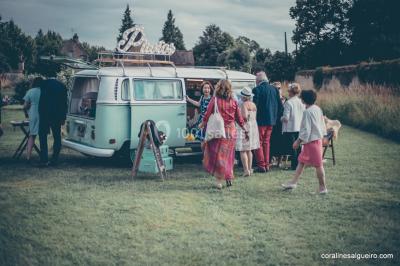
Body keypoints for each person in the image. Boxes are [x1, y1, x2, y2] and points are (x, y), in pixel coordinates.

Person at [201, 80, 248, 189]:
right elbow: (239, 118)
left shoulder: (215, 100)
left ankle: (219, 181)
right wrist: (244, 128)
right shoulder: (234, 102)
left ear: (218, 88)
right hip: (231, 131)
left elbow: (207, 114)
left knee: (218, 156)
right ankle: (229, 176)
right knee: (229, 156)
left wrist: (202, 124)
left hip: (219, 131)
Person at [282, 90, 328, 194]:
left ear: (303, 100)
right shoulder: (317, 108)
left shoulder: (307, 112)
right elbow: (322, 124)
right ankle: (293, 182)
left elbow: (306, 130)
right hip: (315, 141)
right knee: (301, 162)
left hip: (313, 142)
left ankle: (322, 187)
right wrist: (324, 135)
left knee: (318, 165)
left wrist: (297, 142)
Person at [252, 71, 283, 172]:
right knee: (266, 142)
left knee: (259, 142)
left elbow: (254, 107)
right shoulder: (274, 89)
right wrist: (276, 118)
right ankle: (267, 164)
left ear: (259, 80)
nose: (255, 81)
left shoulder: (256, 90)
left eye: (256, 79)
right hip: (271, 121)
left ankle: (261, 165)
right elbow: (280, 106)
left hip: (260, 121)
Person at [38, 78, 68, 166]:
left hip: (45, 115)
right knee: (57, 136)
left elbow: (42, 103)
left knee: (42, 136)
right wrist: (63, 117)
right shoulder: (62, 86)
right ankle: (55, 159)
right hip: (57, 115)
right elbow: (64, 103)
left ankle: (44, 159)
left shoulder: (44, 86)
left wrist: (41, 116)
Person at [235, 87, 260, 176]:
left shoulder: (244, 105)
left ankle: (246, 170)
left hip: (245, 127)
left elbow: (245, 117)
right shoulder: (253, 105)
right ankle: (249, 168)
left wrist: (238, 118)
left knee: (243, 150)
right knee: (249, 150)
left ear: (244, 97)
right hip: (253, 126)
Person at [281, 83, 305, 170]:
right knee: (298, 147)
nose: (288, 93)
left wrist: (281, 118)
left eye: (289, 91)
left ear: (291, 92)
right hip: (299, 127)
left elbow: (286, 118)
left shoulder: (288, 103)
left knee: (293, 148)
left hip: (290, 128)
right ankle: (299, 164)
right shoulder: (301, 102)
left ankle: (294, 166)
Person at [186, 81, 213, 149]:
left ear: (210, 90)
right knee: (202, 141)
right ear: (202, 89)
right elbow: (198, 104)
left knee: (209, 140)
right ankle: (204, 157)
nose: (206, 90)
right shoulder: (202, 97)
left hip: (210, 121)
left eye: (208, 88)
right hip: (202, 120)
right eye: (205, 88)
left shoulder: (213, 99)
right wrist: (189, 99)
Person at [23, 77, 43, 161]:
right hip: (43, 113)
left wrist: (26, 114)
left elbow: (25, 106)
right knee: (43, 135)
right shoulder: (44, 91)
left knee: (32, 135)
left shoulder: (30, 91)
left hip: (33, 114)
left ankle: (28, 156)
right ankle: (44, 155)